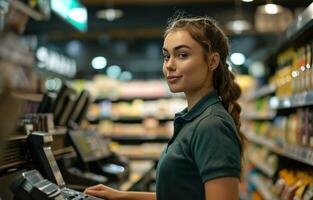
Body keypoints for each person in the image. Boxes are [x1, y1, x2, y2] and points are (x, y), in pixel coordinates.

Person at [84, 15, 245, 200]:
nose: (169, 65)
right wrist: (123, 196)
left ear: (212, 61)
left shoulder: (212, 125)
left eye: (182, 55)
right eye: (167, 56)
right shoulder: (192, 118)